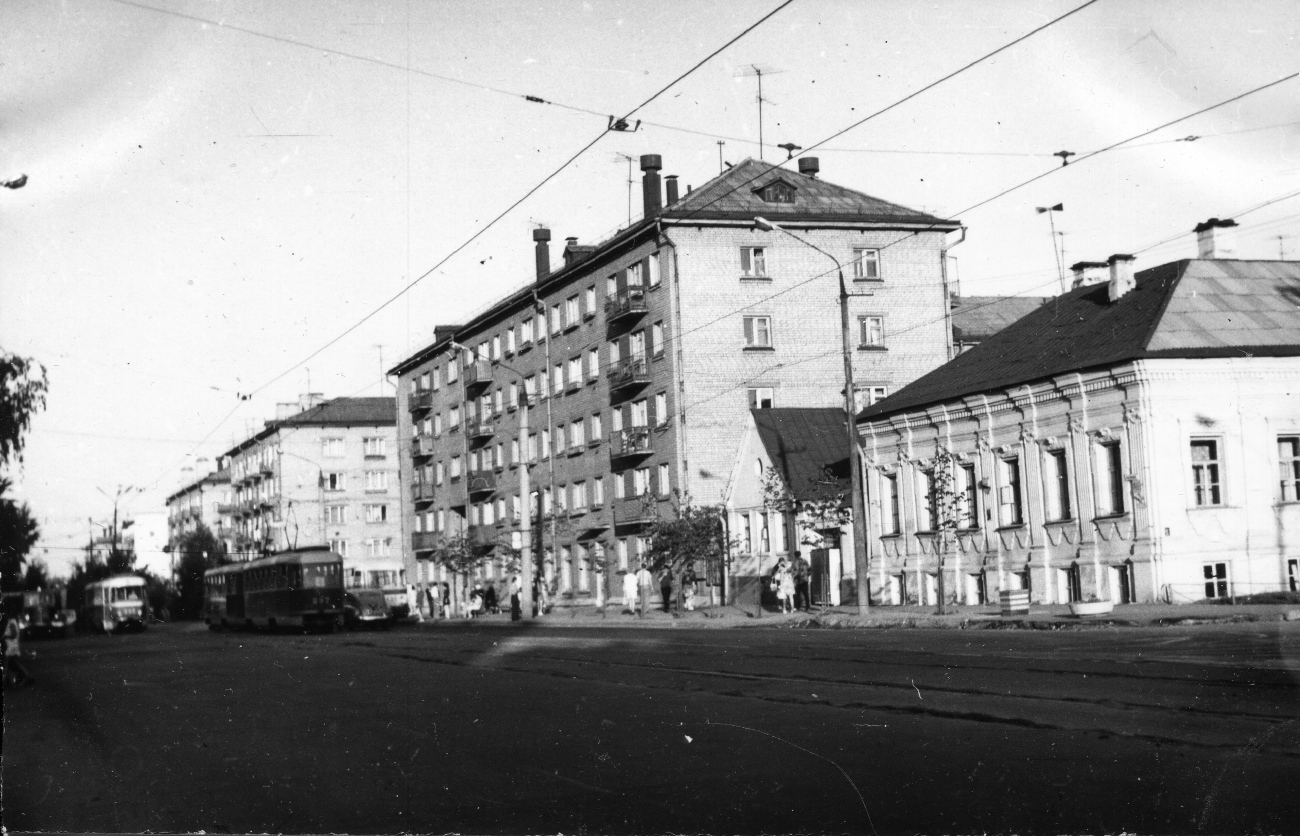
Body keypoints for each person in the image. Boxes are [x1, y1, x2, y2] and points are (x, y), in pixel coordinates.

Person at [4, 617, 32, 686]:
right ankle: (22, 677)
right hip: (11, 646)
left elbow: (14, 634)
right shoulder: (11, 622)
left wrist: (4, 637)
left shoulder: (11, 622)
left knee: (12, 664)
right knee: (11, 664)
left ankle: (26, 676)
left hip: (12, 647)